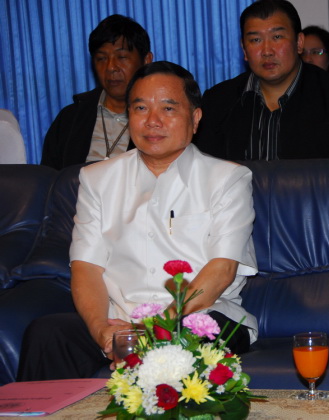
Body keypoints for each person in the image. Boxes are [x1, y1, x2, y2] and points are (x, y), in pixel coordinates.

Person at [17, 61, 258, 380]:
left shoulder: (227, 179)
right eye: (141, 108)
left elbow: (221, 270)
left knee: (181, 342)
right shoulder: (96, 179)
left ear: (195, 118)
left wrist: (157, 331)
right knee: (48, 334)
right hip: (121, 321)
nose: (153, 121)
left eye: (168, 108)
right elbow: (87, 267)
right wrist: (102, 331)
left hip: (202, 316)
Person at [193, 0, 329, 160]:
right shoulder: (218, 101)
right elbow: (205, 175)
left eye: (277, 37)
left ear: (299, 42)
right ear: (244, 49)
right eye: (256, 40)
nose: (267, 51)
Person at [40, 14, 153, 169]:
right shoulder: (70, 119)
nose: (111, 67)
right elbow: (49, 178)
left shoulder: (160, 118)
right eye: (101, 58)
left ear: (146, 60)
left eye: (121, 57)